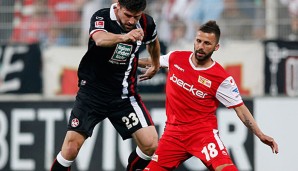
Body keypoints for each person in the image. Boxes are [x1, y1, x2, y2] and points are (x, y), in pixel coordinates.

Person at [139, 20, 278, 171]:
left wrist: (260, 134)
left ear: (216, 47)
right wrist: (130, 60)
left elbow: (241, 109)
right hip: (173, 134)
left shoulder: (221, 78)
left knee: (226, 168)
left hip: (202, 134)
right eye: (199, 41)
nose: (200, 47)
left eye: (207, 43)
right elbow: (152, 61)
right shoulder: (176, 58)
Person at [50, 0, 161, 170]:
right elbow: (100, 39)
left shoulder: (146, 23)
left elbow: (153, 41)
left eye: (136, 16)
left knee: (151, 144)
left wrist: (155, 63)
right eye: (128, 15)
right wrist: (125, 37)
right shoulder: (101, 16)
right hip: (92, 94)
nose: (131, 21)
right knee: (71, 148)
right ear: (117, 6)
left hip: (124, 96)